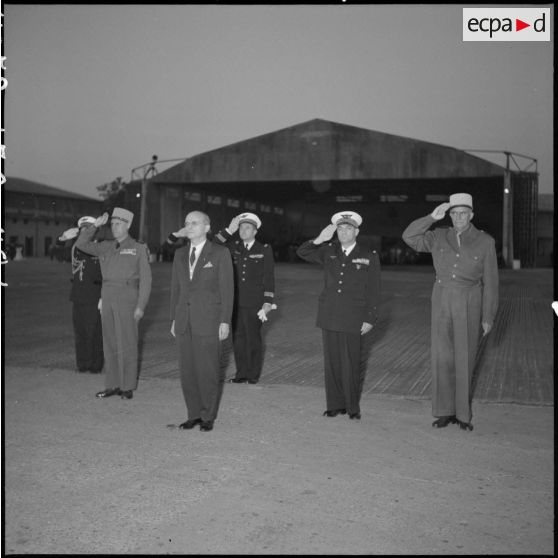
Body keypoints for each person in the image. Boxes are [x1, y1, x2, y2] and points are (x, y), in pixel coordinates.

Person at [402, 193, 499, 431]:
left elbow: (492, 282)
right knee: (442, 357)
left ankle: (463, 415)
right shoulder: (438, 236)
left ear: (471, 215)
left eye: (463, 213)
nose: (458, 218)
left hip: (469, 300)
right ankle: (444, 411)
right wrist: (431, 217)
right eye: (454, 213)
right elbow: (409, 237)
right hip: (442, 298)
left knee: (465, 358)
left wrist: (488, 316)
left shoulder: (485, 242)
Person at [296, 211, 381, 420]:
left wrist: (370, 318)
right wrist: (320, 239)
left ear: (356, 231)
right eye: (340, 229)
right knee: (332, 362)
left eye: (348, 228)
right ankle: (335, 405)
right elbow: (302, 252)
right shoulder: (328, 251)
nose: (343, 232)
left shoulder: (369, 255)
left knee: (351, 363)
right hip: (330, 314)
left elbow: (374, 290)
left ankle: (352, 407)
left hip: (354, 316)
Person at [75, 207, 152, 400]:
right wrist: (95, 226)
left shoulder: (138, 247)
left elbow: (146, 280)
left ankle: (127, 386)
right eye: (113, 224)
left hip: (128, 296)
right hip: (107, 295)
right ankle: (112, 385)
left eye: (119, 224)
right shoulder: (105, 245)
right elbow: (81, 243)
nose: (115, 227)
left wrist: (141, 306)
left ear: (128, 225)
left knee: (127, 342)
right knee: (109, 342)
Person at [168, 211, 234, 432]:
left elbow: (227, 290)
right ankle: (192, 414)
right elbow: (175, 290)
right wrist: (174, 319)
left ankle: (207, 416)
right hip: (184, 321)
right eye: (187, 223)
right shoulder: (179, 254)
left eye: (194, 223)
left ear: (207, 227)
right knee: (187, 371)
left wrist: (225, 321)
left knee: (207, 370)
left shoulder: (220, 253)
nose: (189, 226)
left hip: (208, 321)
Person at [213, 212, 276, 384]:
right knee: (238, 338)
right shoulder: (233, 247)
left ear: (255, 231)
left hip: (255, 302)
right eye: (241, 227)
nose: (243, 230)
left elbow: (268, 277)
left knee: (253, 338)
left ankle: (253, 375)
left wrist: (267, 302)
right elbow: (213, 244)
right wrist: (228, 230)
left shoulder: (264, 249)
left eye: (248, 228)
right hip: (235, 302)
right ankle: (241, 374)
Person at [58, 216, 104, 374]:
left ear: (95, 230)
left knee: (95, 332)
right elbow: (61, 255)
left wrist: (104, 296)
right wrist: (63, 238)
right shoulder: (75, 248)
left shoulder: (101, 247)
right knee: (81, 332)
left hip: (95, 295)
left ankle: (95, 365)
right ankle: (83, 364)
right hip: (78, 295)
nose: (85, 230)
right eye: (83, 228)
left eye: (89, 227)